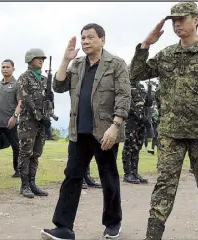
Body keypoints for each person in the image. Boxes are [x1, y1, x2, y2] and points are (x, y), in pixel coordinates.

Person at [129, 2, 198, 239]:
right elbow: (134, 74)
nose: (177, 23)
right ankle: (152, 236)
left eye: (182, 19)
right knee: (164, 186)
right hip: (170, 133)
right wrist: (146, 45)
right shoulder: (167, 54)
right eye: (173, 20)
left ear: (195, 20)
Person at [41, 23, 131, 240]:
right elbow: (59, 86)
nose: (85, 41)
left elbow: (124, 96)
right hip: (78, 132)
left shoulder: (116, 64)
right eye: (83, 38)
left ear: (103, 39)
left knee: (108, 177)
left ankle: (112, 222)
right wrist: (66, 59)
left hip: (105, 132)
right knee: (72, 177)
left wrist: (115, 126)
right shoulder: (78, 64)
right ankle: (63, 228)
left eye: (90, 37)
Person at [17, 48, 51, 198]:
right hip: (28, 122)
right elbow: (25, 98)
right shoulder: (24, 77)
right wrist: (39, 116)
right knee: (25, 153)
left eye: (42, 58)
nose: (41, 60)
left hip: (41, 123)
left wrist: (48, 115)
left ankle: (32, 183)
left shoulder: (44, 79)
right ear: (30, 60)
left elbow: (48, 101)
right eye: (38, 58)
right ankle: (24, 185)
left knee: (36, 153)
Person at [122, 82, 149, 184]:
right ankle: (127, 173)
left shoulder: (141, 87)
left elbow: (143, 104)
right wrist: (139, 116)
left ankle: (134, 172)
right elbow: (128, 103)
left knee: (137, 147)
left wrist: (148, 104)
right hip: (131, 122)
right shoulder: (128, 85)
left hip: (141, 123)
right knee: (129, 147)